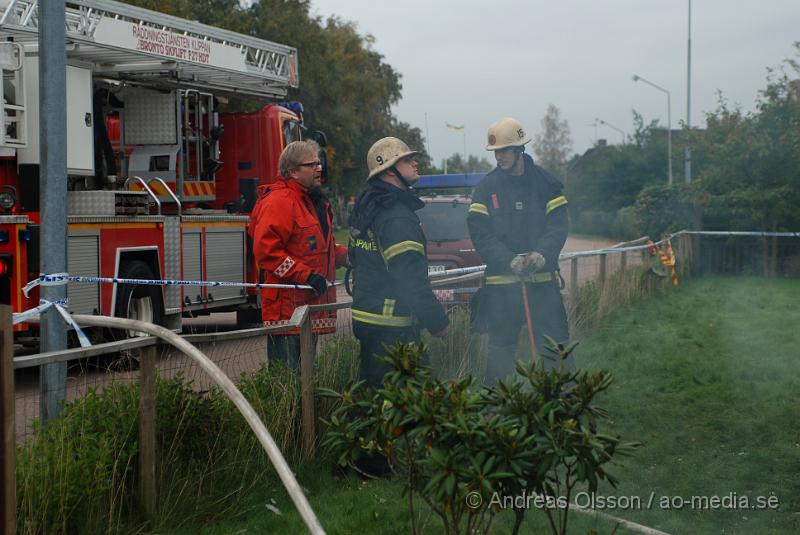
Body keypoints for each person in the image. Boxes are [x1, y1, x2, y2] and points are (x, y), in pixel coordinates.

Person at [467, 117, 574, 381]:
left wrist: (542, 253)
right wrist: (508, 260)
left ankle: (564, 404)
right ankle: (494, 411)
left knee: (555, 347)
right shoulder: (486, 189)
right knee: (500, 353)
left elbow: (558, 227)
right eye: (496, 152)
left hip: (543, 285)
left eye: (504, 150)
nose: (499, 157)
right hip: (502, 288)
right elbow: (481, 234)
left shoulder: (547, 184)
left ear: (520, 150)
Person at [348, 137, 449, 386]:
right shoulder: (396, 217)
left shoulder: (370, 208)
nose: (415, 163)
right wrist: (438, 323)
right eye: (406, 159)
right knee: (413, 404)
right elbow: (410, 280)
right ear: (389, 170)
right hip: (393, 331)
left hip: (370, 322)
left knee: (376, 401)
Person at [251, 140, 348, 368]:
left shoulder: (313, 202)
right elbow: (267, 252)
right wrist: (306, 276)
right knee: (288, 382)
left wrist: (349, 257)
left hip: (306, 308)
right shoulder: (280, 201)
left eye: (319, 163)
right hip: (286, 311)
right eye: (311, 164)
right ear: (292, 172)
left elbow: (320, 249)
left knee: (305, 383)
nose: (319, 168)